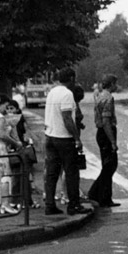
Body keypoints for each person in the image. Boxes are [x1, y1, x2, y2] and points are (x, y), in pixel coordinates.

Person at [43, 68, 91, 216]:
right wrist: (76, 138)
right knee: (71, 172)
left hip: (50, 136)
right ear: (71, 78)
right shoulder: (67, 94)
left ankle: (50, 205)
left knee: (52, 173)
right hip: (63, 138)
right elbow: (67, 118)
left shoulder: (52, 92)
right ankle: (73, 205)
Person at [87, 74, 121, 208]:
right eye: (115, 83)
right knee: (110, 166)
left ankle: (105, 198)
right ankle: (95, 193)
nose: (116, 86)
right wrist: (112, 141)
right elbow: (106, 121)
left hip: (101, 132)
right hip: (106, 132)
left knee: (108, 165)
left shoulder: (100, 96)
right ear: (111, 84)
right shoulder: (108, 98)